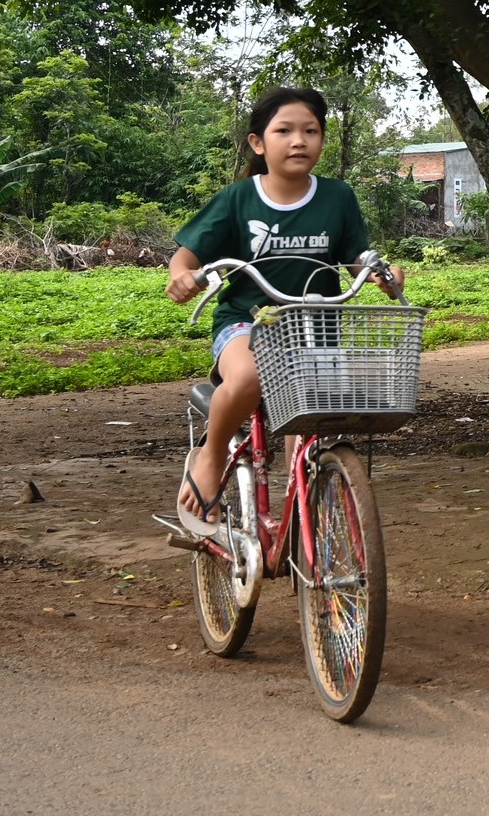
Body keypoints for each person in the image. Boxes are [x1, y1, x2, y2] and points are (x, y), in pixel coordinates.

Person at [165, 86, 401, 532]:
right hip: (245, 322)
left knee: (310, 427)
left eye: (310, 131)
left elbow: (357, 256)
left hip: (315, 327)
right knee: (250, 377)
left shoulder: (338, 197)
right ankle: (211, 457)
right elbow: (187, 256)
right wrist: (181, 276)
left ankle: (303, 518)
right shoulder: (239, 199)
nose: (299, 140)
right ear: (258, 142)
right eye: (285, 130)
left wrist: (379, 273)